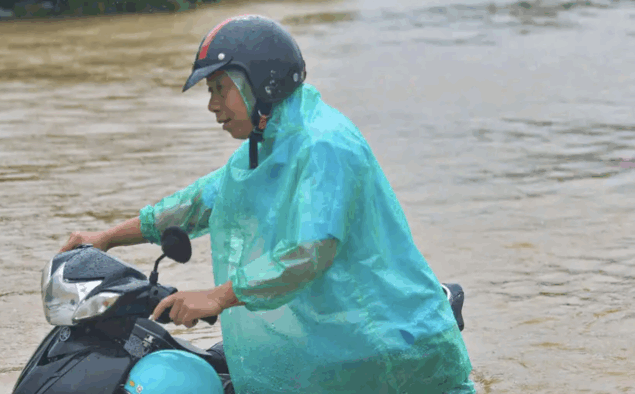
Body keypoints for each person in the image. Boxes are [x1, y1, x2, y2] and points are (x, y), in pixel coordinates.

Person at [60, 14, 475, 394]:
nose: (212, 105)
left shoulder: (324, 142)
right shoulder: (269, 146)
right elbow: (196, 203)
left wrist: (218, 296)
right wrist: (108, 238)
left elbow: (310, 250)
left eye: (220, 88)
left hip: (381, 349)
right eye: (210, 91)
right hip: (331, 344)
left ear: (262, 83)